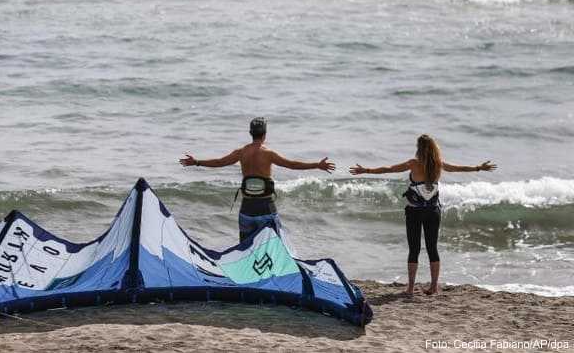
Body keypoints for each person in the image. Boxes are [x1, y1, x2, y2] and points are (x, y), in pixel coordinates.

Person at [349, 134, 497, 295]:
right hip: (433, 211)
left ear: (419, 149)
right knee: (432, 248)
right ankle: (434, 286)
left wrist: (367, 170)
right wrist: (478, 168)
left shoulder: (413, 164)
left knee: (414, 249)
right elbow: (459, 168)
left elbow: (389, 169)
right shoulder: (438, 165)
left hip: (414, 212)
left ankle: (411, 288)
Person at [180, 117, 335, 243]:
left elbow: (219, 162)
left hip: (246, 209)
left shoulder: (240, 152)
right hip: (266, 208)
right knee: (274, 247)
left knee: (246, 248)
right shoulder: (269, 154)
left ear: (250, 133)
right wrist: (316, 165)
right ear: (265, 134)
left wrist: (197, 162)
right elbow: (292, 165)